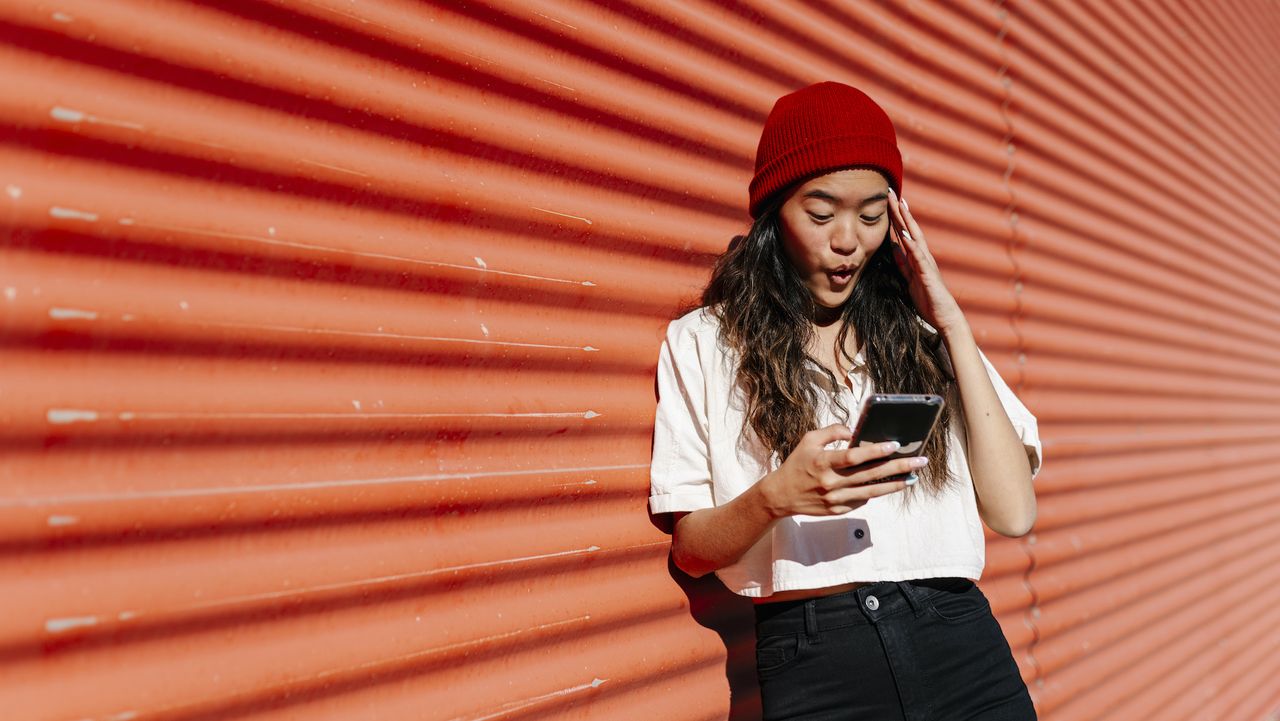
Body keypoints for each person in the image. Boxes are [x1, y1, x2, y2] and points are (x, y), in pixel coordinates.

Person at [648, 81, 1043, 720]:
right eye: (822, 212)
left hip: (961, 646)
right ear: (775, 212)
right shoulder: (704, 343)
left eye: (870, 215)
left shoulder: (924, 340)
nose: (848, 241)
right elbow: (691, 548)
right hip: (814, 663)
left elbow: (1014, 512)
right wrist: (780, 495)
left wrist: (953, 323)